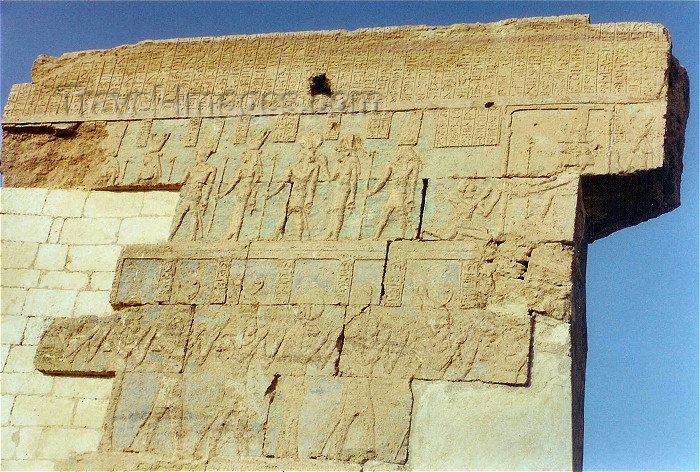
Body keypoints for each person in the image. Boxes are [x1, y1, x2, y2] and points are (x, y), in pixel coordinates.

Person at [168, 148, 217, 241]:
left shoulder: (210, 169)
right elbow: (182, 181)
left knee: (189, 215)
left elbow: (209, 185)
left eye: (201, 156)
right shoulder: (201, 168)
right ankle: (174, 236)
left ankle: (189, 237)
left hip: (195, 194)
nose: (199, 158)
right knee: (186, 215)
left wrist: (205, 199)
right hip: (192, 194)